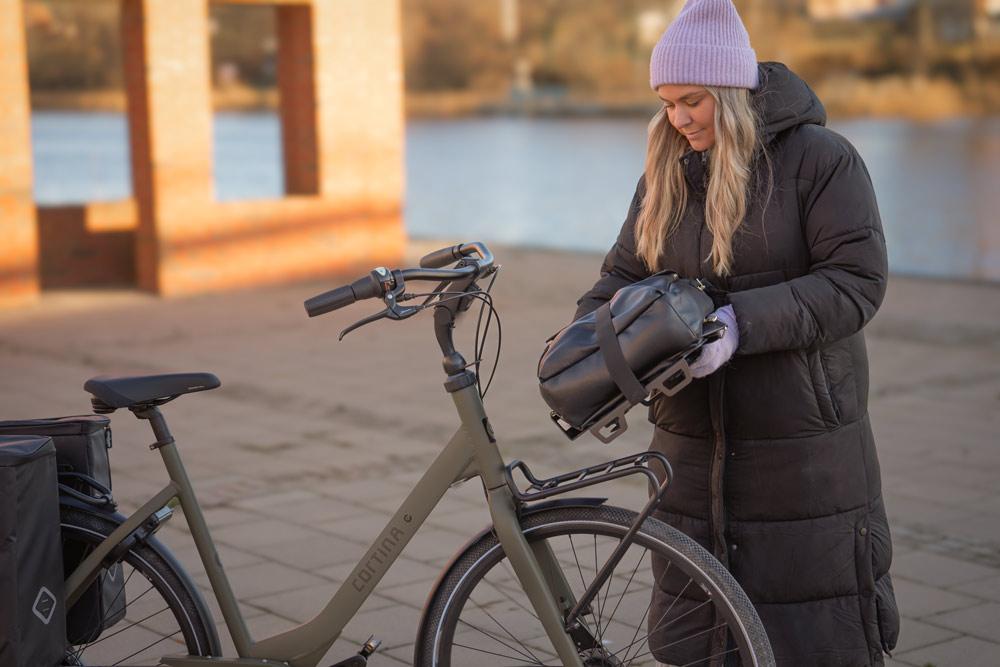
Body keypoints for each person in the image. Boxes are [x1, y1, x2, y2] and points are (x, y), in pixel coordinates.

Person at [574, 0, 900, 665]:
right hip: (688, 454)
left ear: (732, 89)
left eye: (692, 99)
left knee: (808, 637)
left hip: (802, 455)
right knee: (703, 642)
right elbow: (620, 276)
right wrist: (583, 342)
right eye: (666, 102)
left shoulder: (821, 161)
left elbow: (855, 281)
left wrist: (739, 324)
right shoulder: (665, 172)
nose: (678, 118)